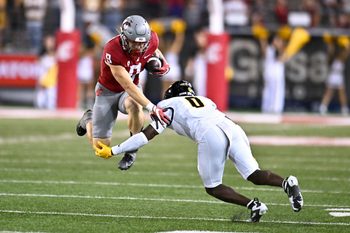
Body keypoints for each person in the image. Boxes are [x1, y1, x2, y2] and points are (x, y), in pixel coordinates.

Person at [94, 80, 304, 222]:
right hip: (233, 127)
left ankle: (254, 205)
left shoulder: (168, 104)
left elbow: (144, 136)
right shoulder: (205, 100)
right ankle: (287, 182)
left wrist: (114, 150)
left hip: (210, 133)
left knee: (213, 186)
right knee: (254, 174)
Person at [76, 15, 170, 170]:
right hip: (108, 92)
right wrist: (152, 108)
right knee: (101, 148)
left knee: (135, 104)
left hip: (131, 89)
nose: (139, 47)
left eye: (142, 43)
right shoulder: (112, 49)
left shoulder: (151, 39)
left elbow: (154, 49)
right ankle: (88, 119)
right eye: (134, 42)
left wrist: (164, 62)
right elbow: (127, 85)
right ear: (124, 38)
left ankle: (132, 151)